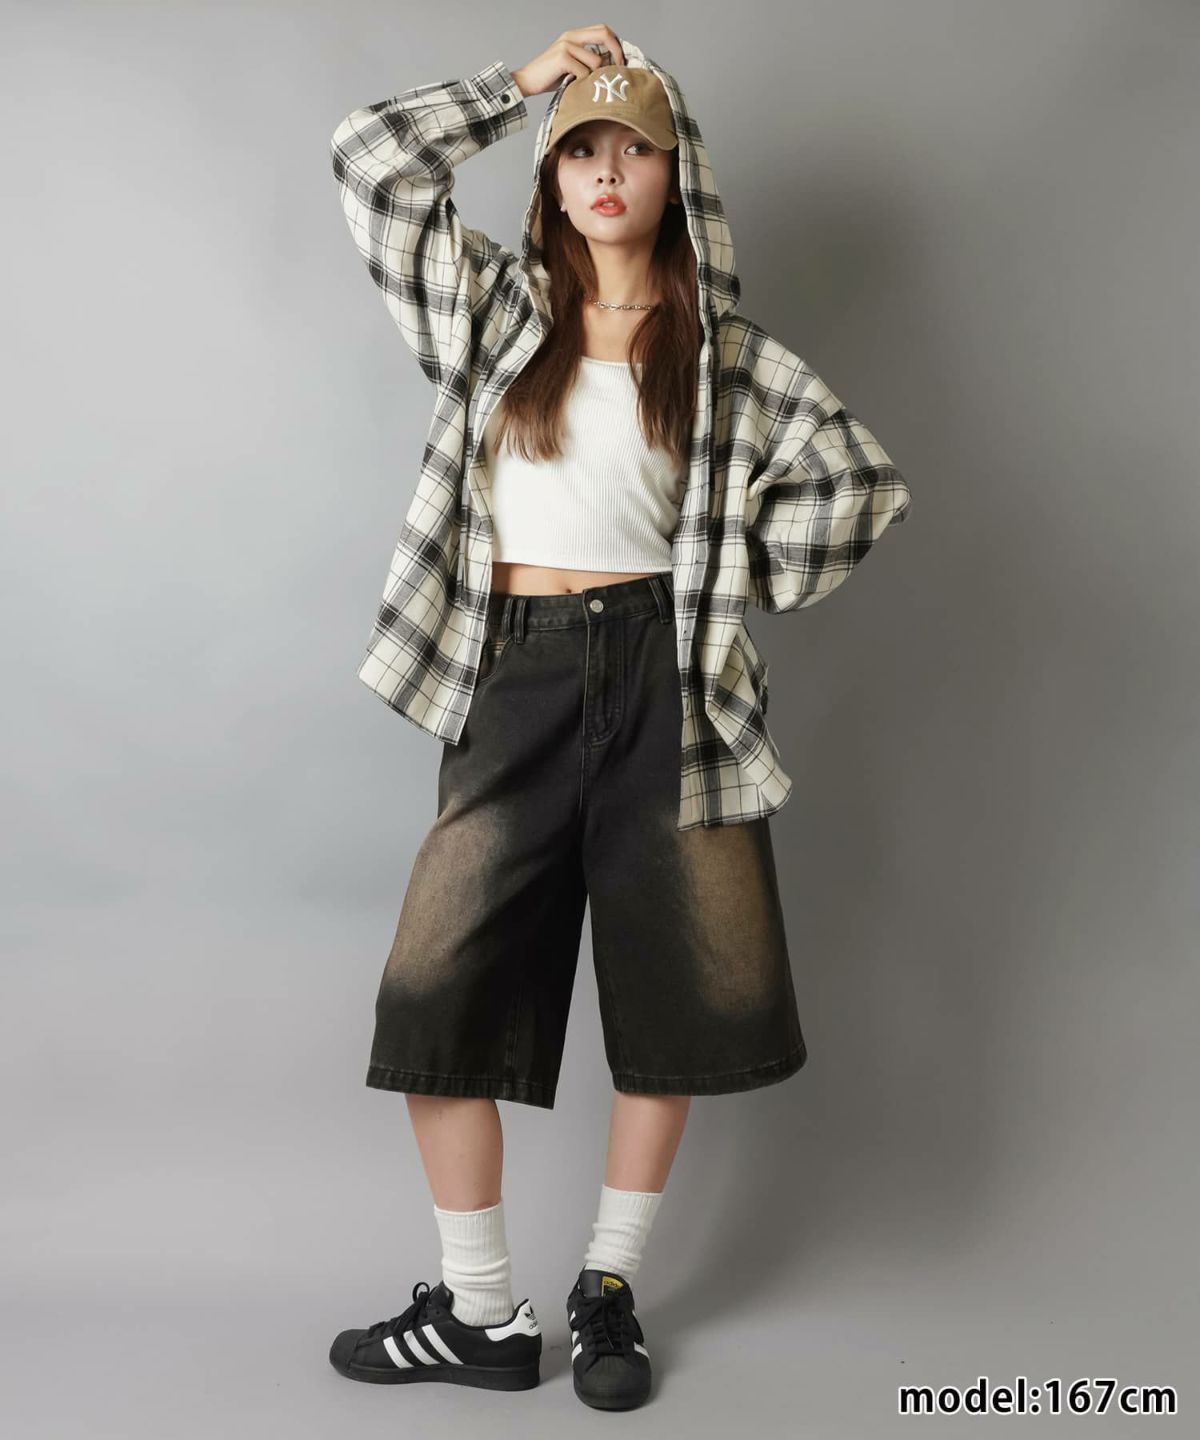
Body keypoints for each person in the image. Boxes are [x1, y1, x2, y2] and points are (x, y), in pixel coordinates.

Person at [325, 25, 912, 1411]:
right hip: (514, 675)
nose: (603, 169)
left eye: (630, 146)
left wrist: (724, 574)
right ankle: (481, 1311)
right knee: (435, 1001)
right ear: (550, 174)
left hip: (668, 682)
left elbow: (859, 486)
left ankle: (607, 1286)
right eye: (578, 148)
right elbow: (371, 164)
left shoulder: (727, 359)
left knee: (680, 999)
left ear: (674, 171)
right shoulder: (491, 313)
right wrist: (519, 83)